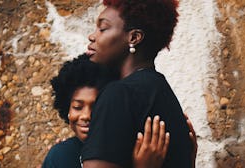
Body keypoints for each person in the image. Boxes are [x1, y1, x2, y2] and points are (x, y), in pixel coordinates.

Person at [82, 0, 193, 167]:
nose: (92, 36)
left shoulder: (119, 94)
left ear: (133, 37)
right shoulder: (161, 91)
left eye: (103, 28)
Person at [42, 54, 171, 168]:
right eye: (77, 107)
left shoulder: (137, 150)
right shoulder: (60, 156)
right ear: (67, 109)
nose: (86, 116)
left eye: (97, 107)